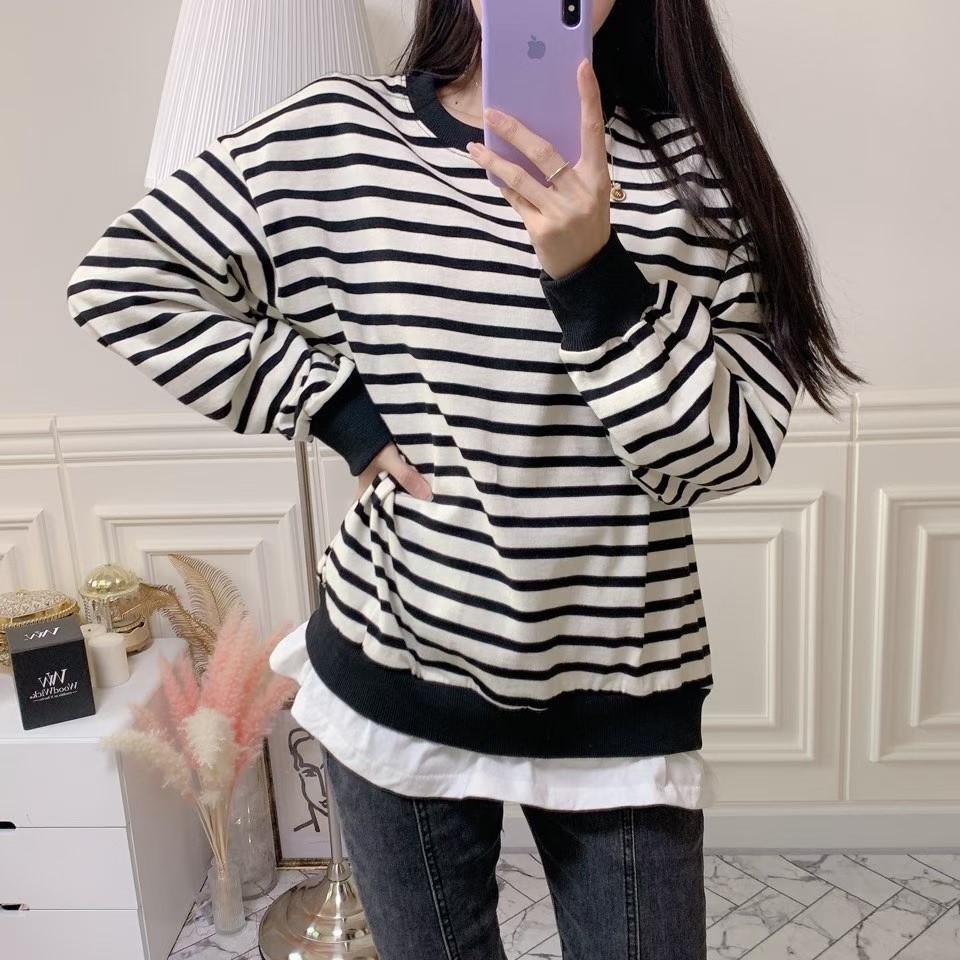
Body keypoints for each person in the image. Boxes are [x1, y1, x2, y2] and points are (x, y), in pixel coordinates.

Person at [66, 1, 864, 957]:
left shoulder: (695, 173)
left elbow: (719, 454)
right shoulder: (343, 137)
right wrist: (338, 407)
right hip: (392, 674)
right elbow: (124, 280)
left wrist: (593, 271)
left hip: (619, 702)